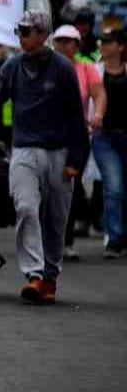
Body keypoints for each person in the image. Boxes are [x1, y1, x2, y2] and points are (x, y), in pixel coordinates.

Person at [0, 11, 90, 304]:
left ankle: (50, 278)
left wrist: (75, 162)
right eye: (19, 31)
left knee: (55, 218)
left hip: (59, 151)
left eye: (27, 31)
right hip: (25, 150)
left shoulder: (63, 69)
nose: (21, 36)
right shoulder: (13, 66)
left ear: (44, 35)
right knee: (26, 207)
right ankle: (34, 274)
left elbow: (76, 118)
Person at [51, 24, 106, 261]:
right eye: (59, 41)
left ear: (77, 44)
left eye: (68, 41)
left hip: (76, 137)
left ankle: (66, 242)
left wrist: (98, 115)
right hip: (48, 136)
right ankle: (48, 238)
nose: (63, 45)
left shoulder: (86, 69)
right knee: (49, 190)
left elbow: (99, 93)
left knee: (69, 187)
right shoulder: (45, 68)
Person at [91, 28, 126, 258]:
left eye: (109, 41)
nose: (103, 45)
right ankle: (114, 240)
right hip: (104, 137)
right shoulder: (95, 71)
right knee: (114, 187)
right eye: (101, 41)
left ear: (121, 47)